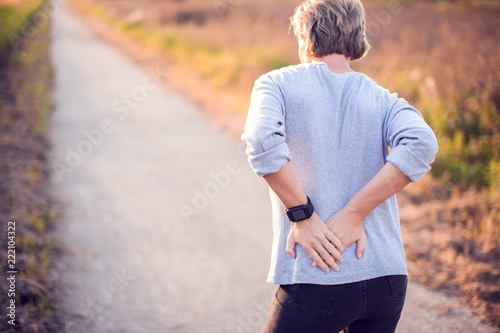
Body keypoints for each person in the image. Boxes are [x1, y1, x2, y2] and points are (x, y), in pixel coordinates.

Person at [240, 0, 439, 332]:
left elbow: (261, 141)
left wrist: (302, 215)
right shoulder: (381, 97)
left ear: (305, 34)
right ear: (357, 37)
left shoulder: (276, 84)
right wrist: (355, 213)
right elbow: (422, 143)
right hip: (387, 282)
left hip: (320, 277)